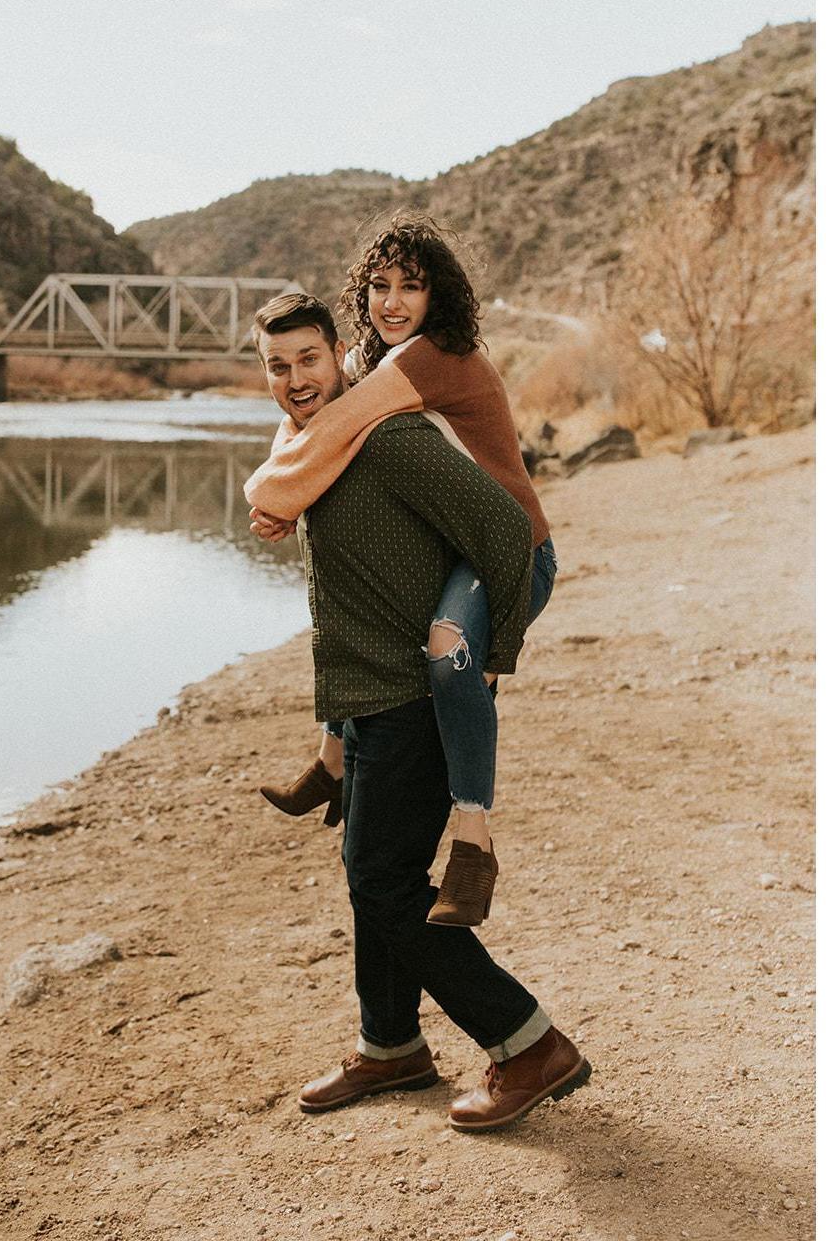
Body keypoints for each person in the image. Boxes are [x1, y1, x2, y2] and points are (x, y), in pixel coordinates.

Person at [252, 291, 592, 1130]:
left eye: (309, 359)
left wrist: (480, 663)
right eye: (278, 366)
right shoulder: (310, 451)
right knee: (372, 875)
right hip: (365, 699)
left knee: (383, 878)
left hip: (416, 702)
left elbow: (506, 532)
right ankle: (391, 1046)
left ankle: (528, 1042)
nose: (297, 379)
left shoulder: (392, 439)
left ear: (340, 355)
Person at [251, 214, 556, 927]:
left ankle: (474, 846)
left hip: (514, 551)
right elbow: (306, 416)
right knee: (366, 603)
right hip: (464, 549)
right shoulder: (371, 357)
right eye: (380, 286)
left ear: (436, 295)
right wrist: (281, 492)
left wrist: (267, 494)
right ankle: (332, 761)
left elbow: (326, 429)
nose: (392, 302)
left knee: (450, 658)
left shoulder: (431, 357)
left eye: (410, 288)